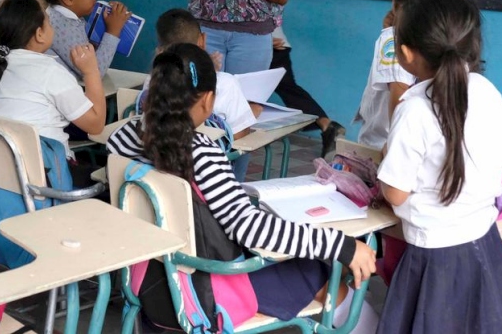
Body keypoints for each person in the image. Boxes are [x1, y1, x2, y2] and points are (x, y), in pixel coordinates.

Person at [114, 43, 379, 331]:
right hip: (207, 286)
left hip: (149, 278)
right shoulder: (201, 153)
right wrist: (340, 245)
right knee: (315, 269)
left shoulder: (121, 139)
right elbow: (249, 228)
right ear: (208, 100)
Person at [377, 0, 502, 332]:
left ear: (405, 53)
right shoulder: (487, 90)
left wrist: (384, 164)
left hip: (434, 257)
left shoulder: (414, 108)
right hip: (485, 242)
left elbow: (395, 193)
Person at [0, 0, 106, 184]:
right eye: (48, 21)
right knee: (109, 180)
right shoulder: (50, 71)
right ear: (39, 34)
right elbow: (96, 125)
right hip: (49, 181)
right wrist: (91, 72)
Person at [108, 8, 258, 181]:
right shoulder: (207, 158)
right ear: (202, 40)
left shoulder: (153, 81)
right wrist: (250, 114)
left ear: (160, 50)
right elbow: (238, 136)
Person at [355, 0, 465, 149]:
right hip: (430, 146)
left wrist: (395, 148)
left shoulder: (395, 38)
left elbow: (399, 94)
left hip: (388, 148)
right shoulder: (459, 36)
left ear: (397, 5)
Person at [28, 0, 131, 78]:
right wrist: (113, 31)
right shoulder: (63, 26)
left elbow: (88, 53)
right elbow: (95, 72)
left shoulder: (65, 18)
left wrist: (105, 26)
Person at [270, 26, 345, 159]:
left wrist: (263, 40)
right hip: (274, 41)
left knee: (239, 86)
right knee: (288, 88)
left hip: (264, 42)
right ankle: (326, 125)